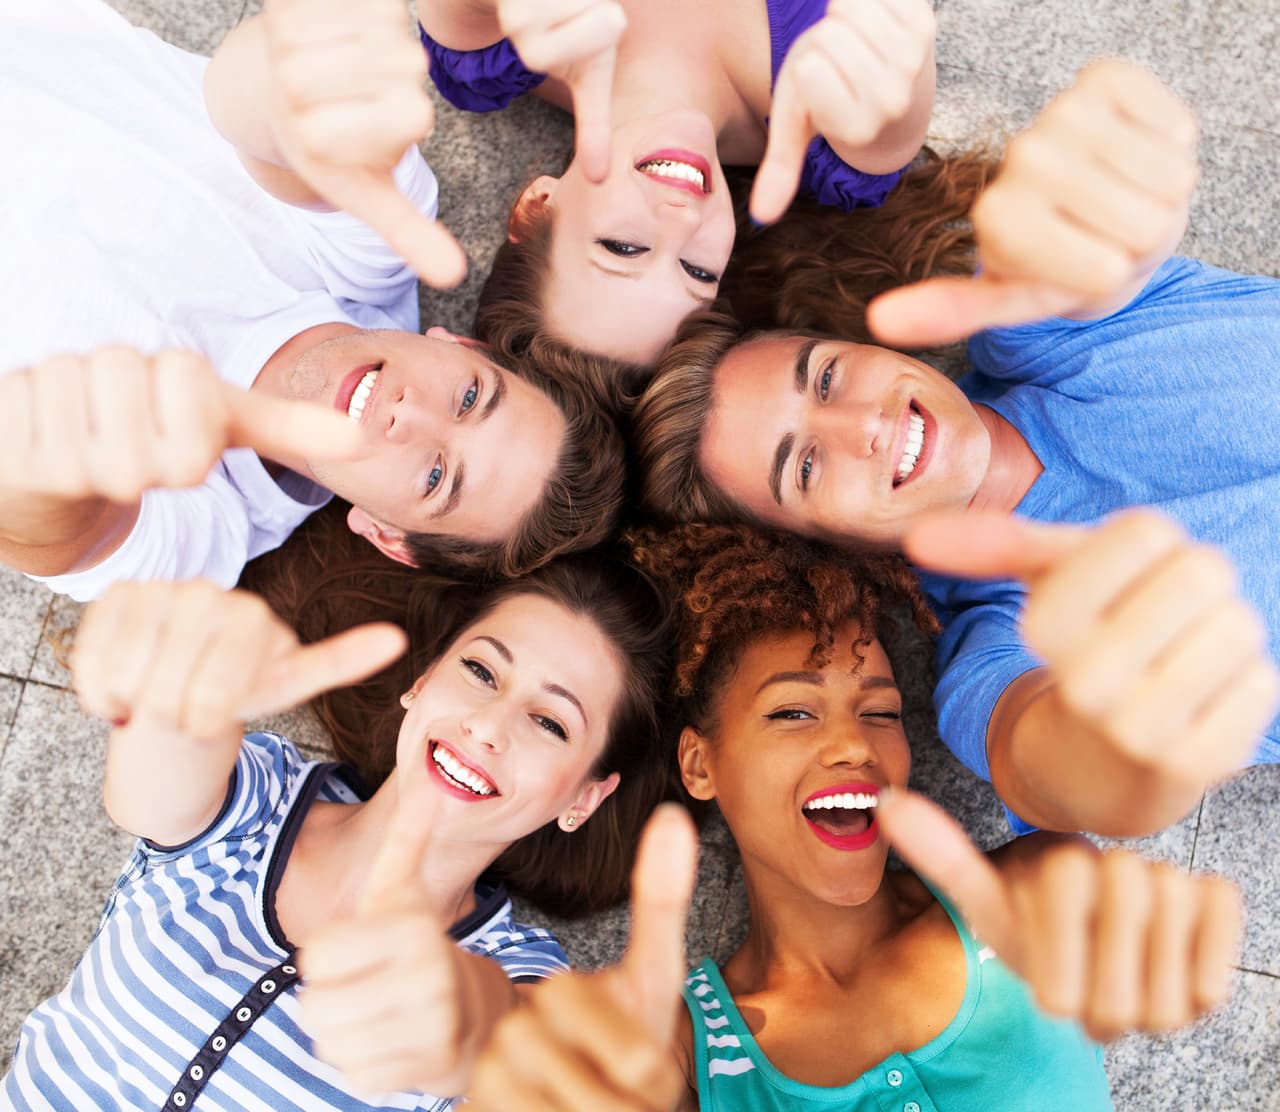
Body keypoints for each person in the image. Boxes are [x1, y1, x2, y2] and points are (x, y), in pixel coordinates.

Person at [631, 59, 1280, 838]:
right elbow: (1046, 759)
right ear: (821, 546)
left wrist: (1111, 182)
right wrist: (1117, 745)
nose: (861, 427)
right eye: (805, 466)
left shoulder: (1042, 327)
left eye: (828, 377)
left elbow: (1070, 243)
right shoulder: (996, 649)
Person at [464, 524, 1244, 1111]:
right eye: (794, 713)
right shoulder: (685, 1050)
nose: (852, 745)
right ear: (700, 764)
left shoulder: (1028, 892)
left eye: (880, 711)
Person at [2, 547, 675, 1108]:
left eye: (550, 722)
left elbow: (523, 1055)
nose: (488, 726)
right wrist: (170, 697)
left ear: (584, 798)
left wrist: (470, 1025)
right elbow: (149, 793)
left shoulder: (519, 974)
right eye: (479, 670)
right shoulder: (257, 798)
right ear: (424, 678)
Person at [0, 0, 623, 601]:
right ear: (461, 345)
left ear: (390, 536)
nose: (409, 416)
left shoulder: (202, 534)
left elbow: (32, 518)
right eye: (469, 397)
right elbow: (256, 81)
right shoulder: (381, 242)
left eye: (436, 477)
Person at [407, 0, 938, 384]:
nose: (683, 220)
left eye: (623, 247)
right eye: (697, 271)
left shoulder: (481, 50)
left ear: (536, 207)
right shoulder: (851, 134)